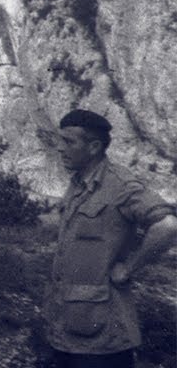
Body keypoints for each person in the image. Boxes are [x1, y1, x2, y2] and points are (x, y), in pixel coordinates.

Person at [44, 109, 177, 368]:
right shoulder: (78, 183)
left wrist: (129, 267)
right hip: (67, 323)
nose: (60, 148)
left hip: (103, 335)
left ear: (94, 147)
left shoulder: (120, 185)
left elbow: (168, 226)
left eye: (69, 142)